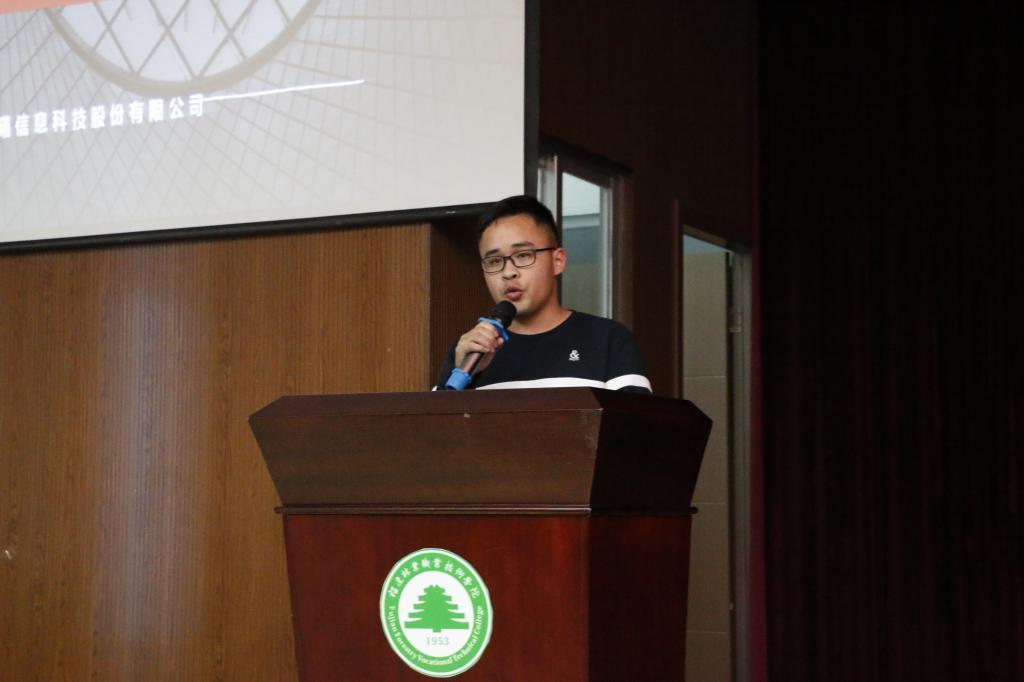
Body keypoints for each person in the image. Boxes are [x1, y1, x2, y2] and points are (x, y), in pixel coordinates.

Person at [436, 195, 651, 393]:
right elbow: (435, 422)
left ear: (557, 261)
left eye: (523, 255)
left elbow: (635, 421)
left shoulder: (608, 340)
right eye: (494, 261)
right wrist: (464, 374)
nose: (508, 272)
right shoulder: (471, 352)